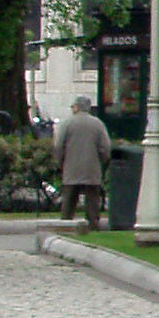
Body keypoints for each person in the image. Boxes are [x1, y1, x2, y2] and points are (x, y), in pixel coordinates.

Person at [55, 97, 113, 226]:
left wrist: (61, 163)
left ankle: (66, 223)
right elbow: (105, 147)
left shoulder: (67, 123)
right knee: (92, 199)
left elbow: (59, 146)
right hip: (92, 168)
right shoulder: (98, 124)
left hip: (71, 167)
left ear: (76, 107)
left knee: (69, 199)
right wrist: (101, 162)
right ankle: (93, 224)